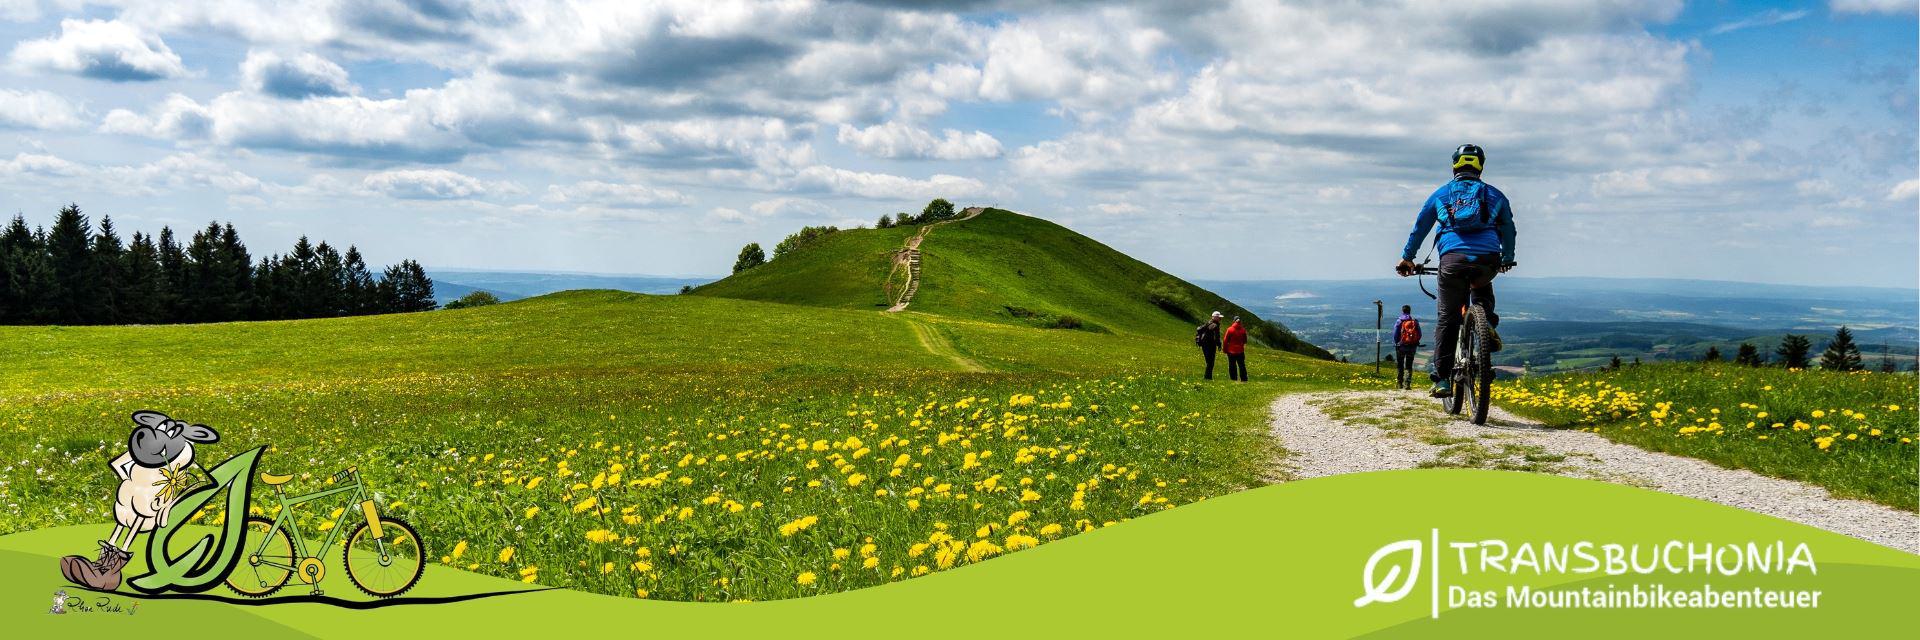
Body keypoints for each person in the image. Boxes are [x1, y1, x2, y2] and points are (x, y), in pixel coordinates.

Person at [1395, 144, 1516, 398]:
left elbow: (1420, 227)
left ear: (1455, 166)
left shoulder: (1441, 194)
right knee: (1482, 286)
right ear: (1480, 166)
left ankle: (1441, 379)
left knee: (1448, 318)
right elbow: (1508, 229)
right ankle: (1487, 323)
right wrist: (1507, 257)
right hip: (1487, 260)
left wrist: (1407, 258)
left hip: (1453, 261)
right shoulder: (1495, 195)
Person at [1392, 305, 1421, 390]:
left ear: (1402, 311)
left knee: (1400, 365)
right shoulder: (1414, 322)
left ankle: (1399, 383)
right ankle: (1407, 384)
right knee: (1409, 365)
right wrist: (1414, 341)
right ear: (1410, 311)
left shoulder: (1399, 321)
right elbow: (1419, 334)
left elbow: (1395, 334)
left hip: (1400, 346)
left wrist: (1396, 343)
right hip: (1412, 347)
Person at [1194, 311, 1223, 380]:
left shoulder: (1208, 323)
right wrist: (1219, 344)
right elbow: (1217, 337)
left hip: (1204, 344)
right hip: (1210, 345)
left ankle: (1208, 377)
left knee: (1209, 362)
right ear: (1215, 317)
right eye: (1219, 318)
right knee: (1211, 362)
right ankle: (1207, 377)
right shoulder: (1215, 325)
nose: (1220, 319)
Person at [1223, 316, 1249, 382]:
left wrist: (1225, 350)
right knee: (1242, 365)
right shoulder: (1243, 330)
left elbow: (1225, 340)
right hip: (1240, 351)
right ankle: (1244, 379)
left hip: (1231, 351)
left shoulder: (1230, 329)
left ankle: (1233, 379)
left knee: (1232, 365)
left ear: (1234, 321)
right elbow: (1245, 340)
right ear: (1240, 322)